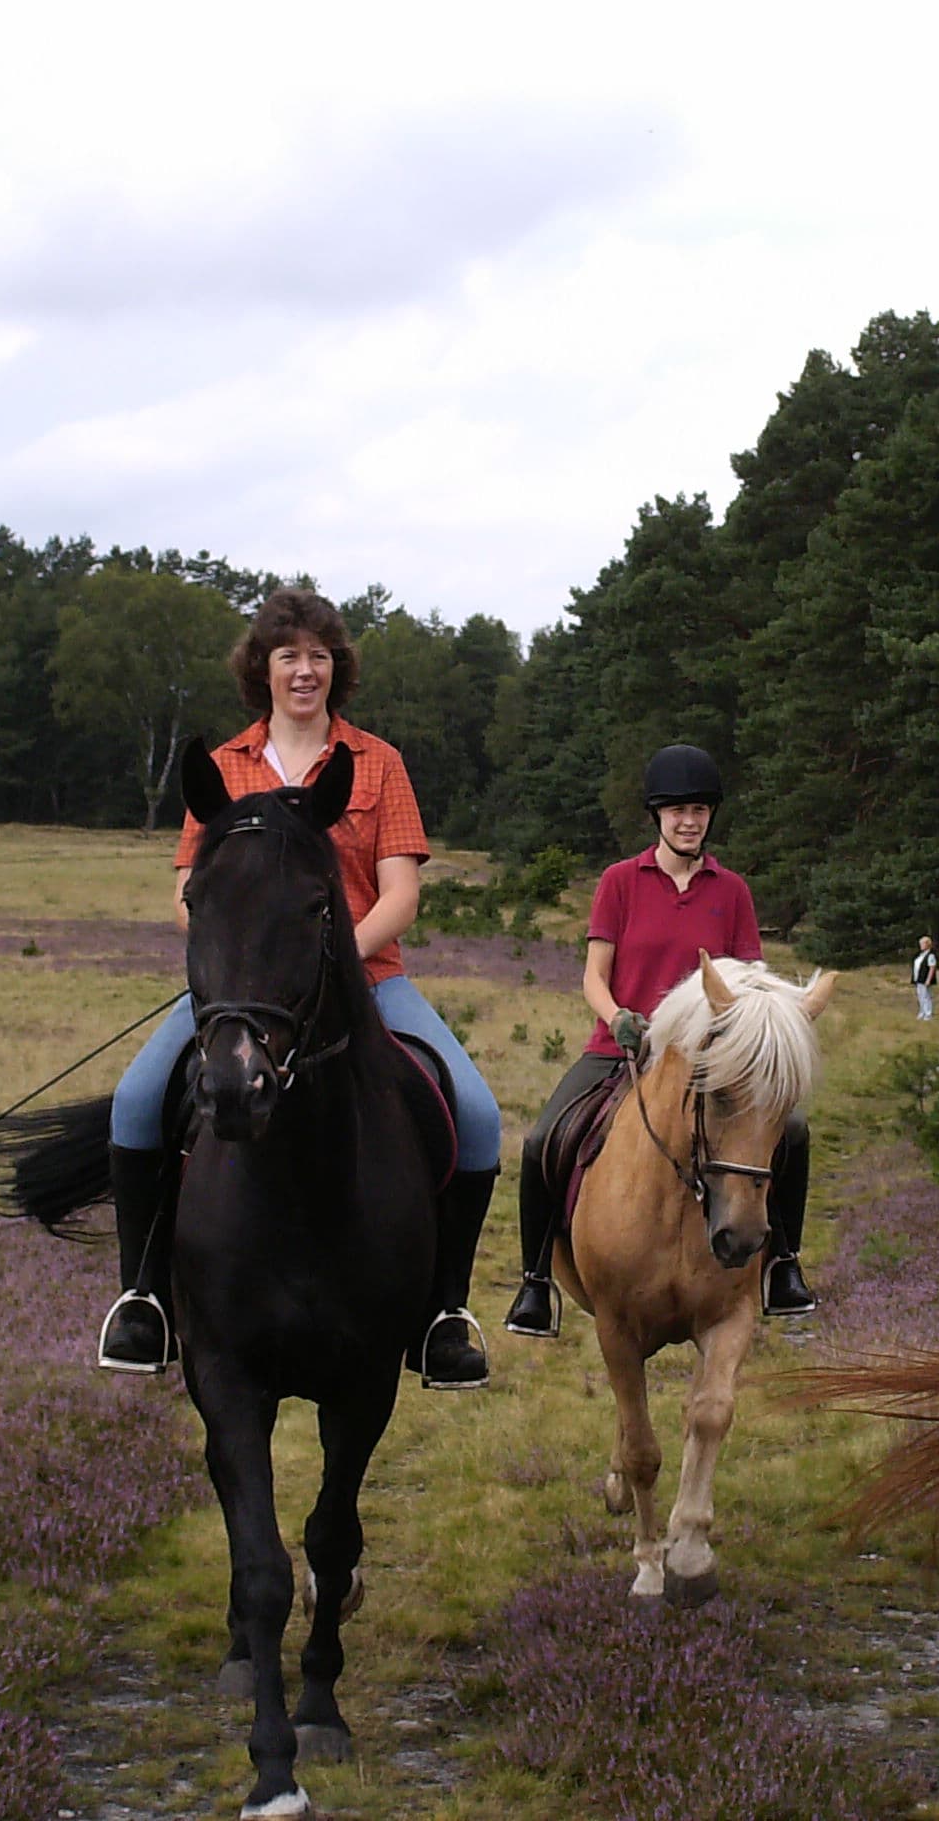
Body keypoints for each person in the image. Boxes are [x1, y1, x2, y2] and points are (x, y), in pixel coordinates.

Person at [94, 586, 503, 1389]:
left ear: (336, 669)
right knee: (137, 1104)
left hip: (365, 984)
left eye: (319, 656)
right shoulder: (223, 768)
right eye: (290, 657)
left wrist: (332, 960)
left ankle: (442, 1314)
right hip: (245, 991)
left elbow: (400, 894)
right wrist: (238, 962)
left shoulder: (377, 764)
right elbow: (187, 890)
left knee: (480, 1117)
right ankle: (143, 1300)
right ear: (264, 669)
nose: (305, 671)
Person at [502, 743, 820, 1337]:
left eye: (699, 809)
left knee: (793, 1132)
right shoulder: (620, 882)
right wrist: (619, 1015)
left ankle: (784, 1267)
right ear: (656, 815)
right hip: (618, 1049)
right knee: (542, 1139)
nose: (688, 820)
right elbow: (594, 976)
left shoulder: (733, 892)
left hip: (707, 1060)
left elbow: (748, 981)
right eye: (676, 810)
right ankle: (536, 1281)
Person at [911, 935, 938, 1021]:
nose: (921, 945)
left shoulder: (930, 955)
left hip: (925, 979)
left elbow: (932, 968)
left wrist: (928, 980)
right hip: (919, 979)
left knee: (926, 996)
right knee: (920, 996)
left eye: (922, 944)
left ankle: (928, 1014)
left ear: (927, 944)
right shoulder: (921, 955)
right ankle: (922, 1012)